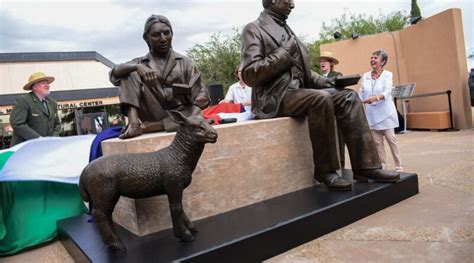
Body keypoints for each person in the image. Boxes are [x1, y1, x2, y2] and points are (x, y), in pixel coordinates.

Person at [240, 0, 400, 191]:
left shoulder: (288, 30)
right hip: (275, 97)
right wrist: (284, 53)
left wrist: (334, 82)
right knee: (320, 99)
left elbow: (306, 74)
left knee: (348, 97)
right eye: (288, 0)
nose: (292, 4)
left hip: (299, 93)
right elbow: (250, 74)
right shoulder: (254, 29)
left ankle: (366, 166)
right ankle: (326, 171)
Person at [1, 72, 86, 256]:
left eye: (47, 82)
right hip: (25, 152)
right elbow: (17, 123)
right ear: (34, 87)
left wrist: (51, 141)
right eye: (43, 82)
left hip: (47, 151)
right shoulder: (23, 101)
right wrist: (38, 140)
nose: (47, 84)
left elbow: (57, 124)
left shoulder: (53, 103)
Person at [110, 14, 210, 139]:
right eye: (156, 35)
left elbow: (202, 91)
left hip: (180, 113)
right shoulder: (140, 62)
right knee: (128, 73)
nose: (163, 39)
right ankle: (134, 124)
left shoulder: (185, 62)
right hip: (153, 111)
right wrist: (136, 67)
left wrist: (198, 100)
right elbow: (114, 73)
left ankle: (149, 127)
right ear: (147, 38)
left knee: (192, 115)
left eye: (167, 33)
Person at [359, 50, 403, 172]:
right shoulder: (366, 75)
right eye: (371, 57)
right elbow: (361, 91)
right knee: (377, 143)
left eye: (375, 58)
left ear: (382, 61)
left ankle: (399, 165)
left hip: (386, 113)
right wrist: (360, 100)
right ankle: (382, 166)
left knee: (391, 139)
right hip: (371, 114)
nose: (372, 60)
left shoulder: (388, 74)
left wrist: (376, 97)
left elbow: (388, 91)